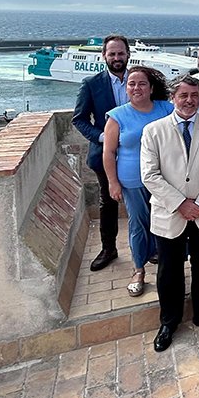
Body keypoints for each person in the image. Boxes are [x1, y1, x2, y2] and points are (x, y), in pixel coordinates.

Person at [140, 75, 199, 352]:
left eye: (194, 95)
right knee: (169, 270)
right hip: (171, 213)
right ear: (172, 98)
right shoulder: (153, 131)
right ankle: (169, 321)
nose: (190, 100)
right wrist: (181, 203)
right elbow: (149, 175)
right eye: (184, 96)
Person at [102, 67, 174, 297]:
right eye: (131, 84)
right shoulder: (117, 116)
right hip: (132, 180)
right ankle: (138, 270)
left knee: (166, 223)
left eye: (142, 83)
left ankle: (168, 269)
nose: (136, 88)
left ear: (151, 88)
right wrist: (113, 182)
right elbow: (108, 152)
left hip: (165, 179)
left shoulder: (166, 109)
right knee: (138, 224)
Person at [72, 34, 129, 272]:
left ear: (128, 55)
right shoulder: (91, 84)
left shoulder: (141, 80)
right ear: (104, 56)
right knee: (108, 202)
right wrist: (103, 137)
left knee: (147, 200)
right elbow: (79, 119)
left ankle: (152, 247)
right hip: (105, 154)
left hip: (141, 152)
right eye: (112, 54)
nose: (117, 58)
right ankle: (109, 249)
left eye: (120, 53)